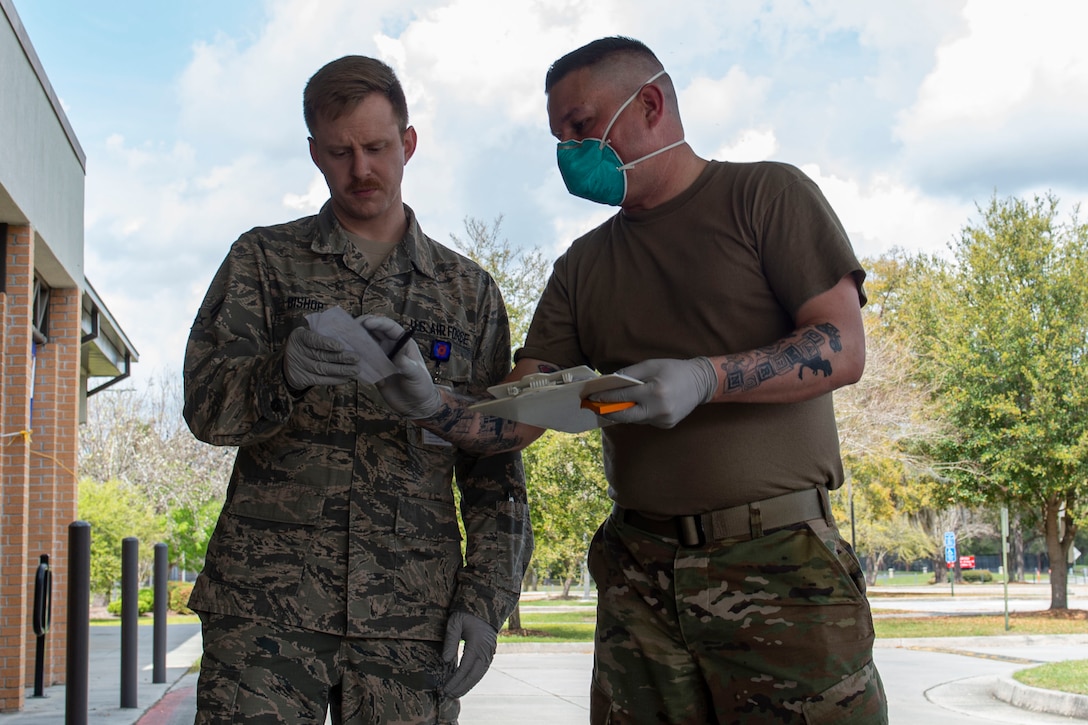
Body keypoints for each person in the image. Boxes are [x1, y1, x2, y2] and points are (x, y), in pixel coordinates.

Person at [361, 36, 888, 724]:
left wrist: (707, 378)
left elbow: (842, 346)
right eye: (559, 138)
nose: (569, 152)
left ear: (650, 104)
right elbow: (518, 414)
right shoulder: (581, 268)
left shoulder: (766, 196)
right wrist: (433, 404)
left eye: (581, 127)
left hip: (780, 562)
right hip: (638, 575)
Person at [182, 55, 532, 725]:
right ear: (315, 152)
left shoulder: (467, 292)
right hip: (266, 608)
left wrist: (487, 597)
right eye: (340, 152)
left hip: (411, 614)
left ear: (409, 143)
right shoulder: (264, 261)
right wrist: (281, 373)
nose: (361, 169)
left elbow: (495, 463)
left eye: (376, 147)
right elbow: (205, 407)